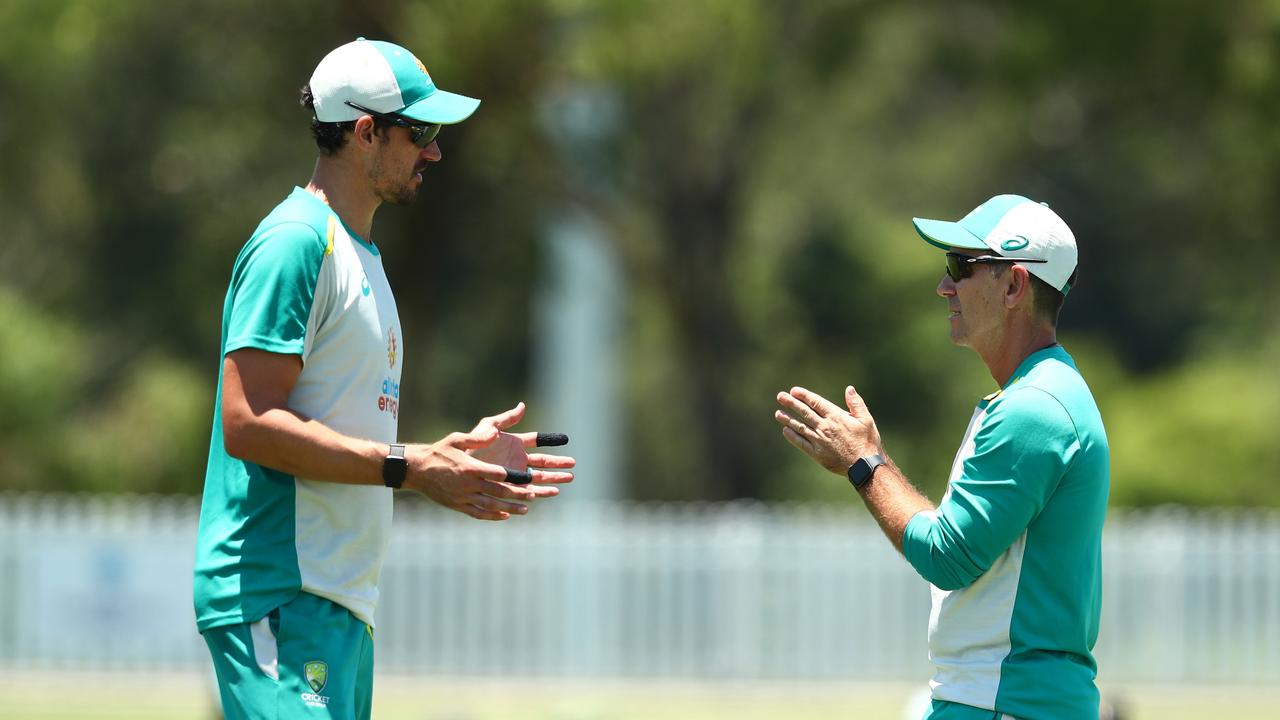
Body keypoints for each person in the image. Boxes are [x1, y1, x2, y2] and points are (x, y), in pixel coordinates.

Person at [193, 38, 576, 720]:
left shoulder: (359, 252)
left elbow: (339, 424)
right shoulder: (296, 243)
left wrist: (443, 455)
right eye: (419, 131)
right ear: (366, 132)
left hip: (337, 602)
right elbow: (247, 421)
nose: (433, 151)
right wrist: (409, 466)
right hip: (283, 592)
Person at [775, 195, 1109, 719]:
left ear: (1015, 286)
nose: (944, 286)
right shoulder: (1039, 395)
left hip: (1003, 703)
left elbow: (947, 556)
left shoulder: (1033, 409)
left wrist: (864, 465)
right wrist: (870, 458)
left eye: (960, 266)